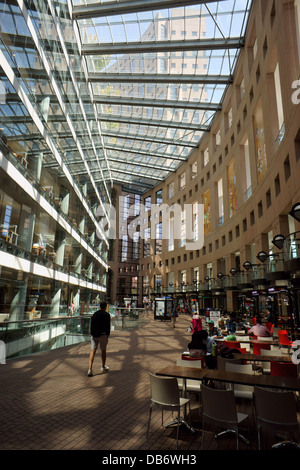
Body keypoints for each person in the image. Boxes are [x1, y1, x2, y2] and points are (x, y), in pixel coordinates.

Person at [88, 301, 111, 376]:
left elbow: (91, 325)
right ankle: (103, 366)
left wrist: (92, 333)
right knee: (103, 351)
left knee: (92, 351)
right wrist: (107, 334)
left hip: (94, 335)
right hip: (103, 335)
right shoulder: (106, 315)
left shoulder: (95, 314)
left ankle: (90, 369)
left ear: (99, 306)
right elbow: (108, 326)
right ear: (105, 307)